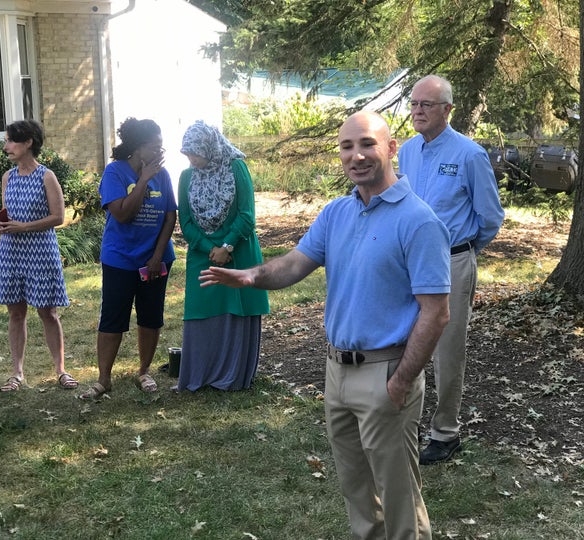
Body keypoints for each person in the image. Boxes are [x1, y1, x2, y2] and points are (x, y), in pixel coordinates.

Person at [200, 111, 451, 539]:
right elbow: (296, 263)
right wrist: (251, 275)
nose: (357, 156)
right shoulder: (337, 212)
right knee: (357, 491)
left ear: (391, 149)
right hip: (337, 372)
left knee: (398, 497)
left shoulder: (419, 221)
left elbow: (436, 311)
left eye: (368, 144)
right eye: (347, 146)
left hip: (386, 372)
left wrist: (403, 378)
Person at [398, 75, 505, 465]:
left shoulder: (469, 155)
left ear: (447, 110)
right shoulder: (407, 152)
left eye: (427, 104)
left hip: (452, 262)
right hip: (408, 262)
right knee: (402, 339)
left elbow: (490, 216)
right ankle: (402, 417)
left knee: (446, 350)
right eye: (414, 103)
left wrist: (463, 250)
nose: (418, 110)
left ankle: (445, 433)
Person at [79, 118, 177, 399]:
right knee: (113, 318)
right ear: (138, 147)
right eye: (155, 146)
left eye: (161, 146)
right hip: (120, 258)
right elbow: (122, 214)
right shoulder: (115, 173)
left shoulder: (164, 174)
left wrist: (158, 256)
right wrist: (143, 180)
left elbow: (170, 215)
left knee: (150, 317)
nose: (160, 151)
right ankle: (104, 379)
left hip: (156, 259)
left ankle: (143, 371)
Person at [176, 121, 269, 392]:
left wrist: (226, 246)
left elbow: (246, 215)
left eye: (195, 153)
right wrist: (209, 249)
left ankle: (234, 375)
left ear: (209, 147)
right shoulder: (186, 177)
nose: (192, 159)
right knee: (202, 311)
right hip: (202, 255)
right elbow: (187, 222)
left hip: (237, 250)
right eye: (187, 154)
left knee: (235, 308)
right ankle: (201, 374)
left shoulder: (236, 167)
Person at [0, 120, 77, 392]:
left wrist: (24, 227)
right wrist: (1, 225)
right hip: (11, 251)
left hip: (40, 251)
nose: (6, 147)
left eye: (11, 141)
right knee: (16, 314)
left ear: (28, 142)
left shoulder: (46, 176)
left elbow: (58, 217)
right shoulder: (7, 177)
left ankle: (61, 370)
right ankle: (17, 373)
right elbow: (8, 214)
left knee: (48, 312)